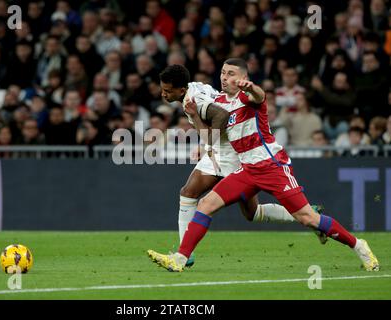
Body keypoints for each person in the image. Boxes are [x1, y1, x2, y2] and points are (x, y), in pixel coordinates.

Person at [148, 59, 379, 272]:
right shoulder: (219, 101)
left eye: (231, 74)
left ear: (242, 77)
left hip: (271, 166)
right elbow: (210, 124)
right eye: (222, 73)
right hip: (246, 169)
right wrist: (198, 121)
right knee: (206, 204)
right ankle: (180, 258)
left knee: (307, 218)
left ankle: (358, 245)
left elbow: (260, 96)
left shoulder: (247, 98)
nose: (224, 77)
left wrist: (250, 87)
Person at [157, 64, 327, 268]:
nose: (163, 94)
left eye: (167, 90)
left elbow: (221, 115)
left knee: (190, 193)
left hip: (229, 152)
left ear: (182, 90)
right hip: (224, 148)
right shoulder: (192, 88)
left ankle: (184, 253)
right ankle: (310, 215)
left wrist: (207, 143)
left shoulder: (196, 100)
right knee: (250, 213)